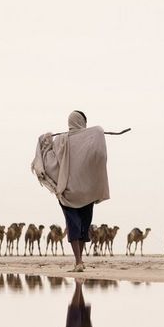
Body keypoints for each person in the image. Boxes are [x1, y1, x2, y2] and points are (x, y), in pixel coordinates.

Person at [35, 111, 110, 272]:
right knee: (84, 225)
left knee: (74, 225)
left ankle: (78, 261)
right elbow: (100, 153)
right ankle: (80, 260)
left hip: (68, 192)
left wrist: (44, 140)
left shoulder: (60, 140)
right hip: (87, 192)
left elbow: (49, 160)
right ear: (83, 122)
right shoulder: (93, 135)